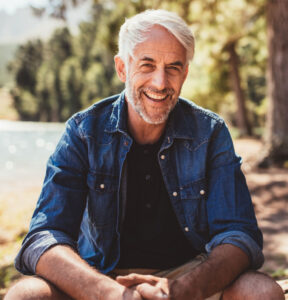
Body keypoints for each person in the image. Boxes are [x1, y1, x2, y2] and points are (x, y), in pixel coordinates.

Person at [5, 9, 284, 300]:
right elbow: (44, 236)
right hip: (100, 277)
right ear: (122, 67)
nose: (161, 83)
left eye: (173, 67)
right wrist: (110, 293)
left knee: (260, 292)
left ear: (185, 73)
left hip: (190, 277)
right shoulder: (83, 131)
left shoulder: (210, 132)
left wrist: (180, 290)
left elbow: (239, 235)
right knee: (27, 294)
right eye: (147, 65)